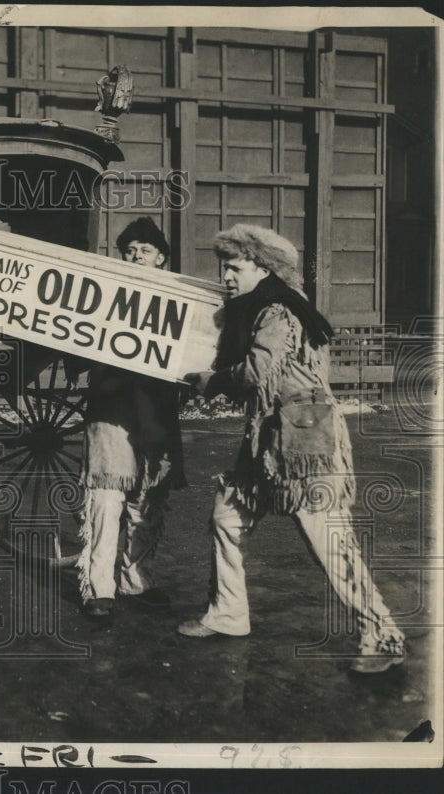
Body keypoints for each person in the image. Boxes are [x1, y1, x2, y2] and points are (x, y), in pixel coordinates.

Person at [180, 224, 406, 674]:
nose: (225, 276)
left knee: (327, 538)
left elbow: (257, 373)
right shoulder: (257, 307)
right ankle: (228, 614)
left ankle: (383, 633)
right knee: (227, 515)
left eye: (235, 267)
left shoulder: (278, 310)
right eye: (223, 267)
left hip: (306, 437)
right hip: (268, 432)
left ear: (262, 267)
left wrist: (210, 382)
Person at [73, 217, 186, 621]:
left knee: (149, 499)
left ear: (161, 259)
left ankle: (137, 581)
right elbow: (76, 344)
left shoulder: (179, 300)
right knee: (106, 497)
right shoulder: (101, 297)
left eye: (145, 251)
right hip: (111, 408)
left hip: (155, 409)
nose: (136, 256)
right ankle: (99, 588)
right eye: (130, 250)